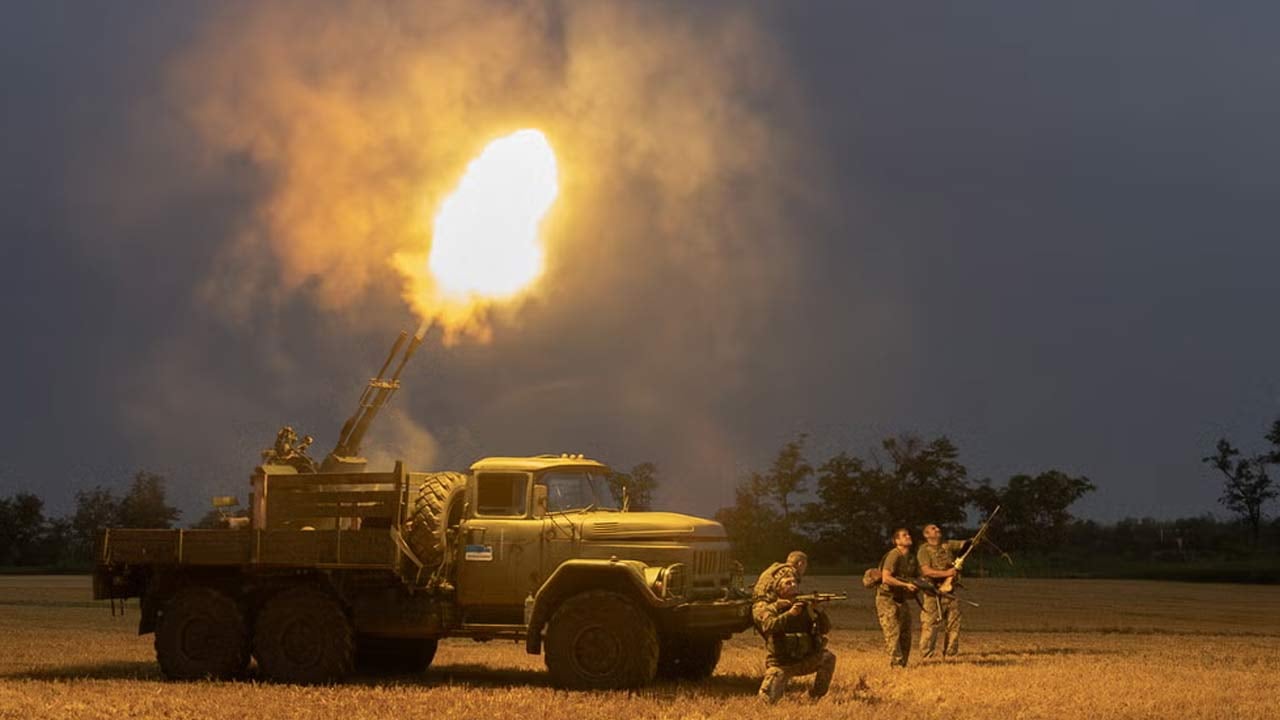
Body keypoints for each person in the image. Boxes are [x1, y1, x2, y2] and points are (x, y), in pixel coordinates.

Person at [753, 573, 836, 703]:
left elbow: (825, 629)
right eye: (788, 583)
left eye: (795, 583)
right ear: (779, 590)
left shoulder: (806, 608)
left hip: (804, 660)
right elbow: (768, 627)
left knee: (828, 658)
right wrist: (790, 614)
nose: (793, 585)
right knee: (767, 701)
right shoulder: (772, 609)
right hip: (782, 664)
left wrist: (818, 611)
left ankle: (815, 697)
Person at [917, 524, 969, 660]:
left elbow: (965, 545)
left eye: (937, 528)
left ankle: (950, 655)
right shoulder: (924, 550)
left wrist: (975, 540)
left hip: (951, 590)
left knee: (954, 624)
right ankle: (927, 657)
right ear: (926, 535)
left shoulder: (948, 544)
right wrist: (947, 573)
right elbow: (926, 571)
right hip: (933, 592)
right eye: (933, 529)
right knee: (930, 625)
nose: (937, 529)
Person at [876, 528, 918, 668]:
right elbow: (886, 578)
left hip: (901, 598)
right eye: (904, 535)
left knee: (905, 632)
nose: (908, 536)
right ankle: (896, 665)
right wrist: (905, 584)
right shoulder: (894, 555)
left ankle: (903, 664)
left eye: (908, 534)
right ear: (897, 541)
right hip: (887, 598)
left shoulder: (910, 558)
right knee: (892, 632)